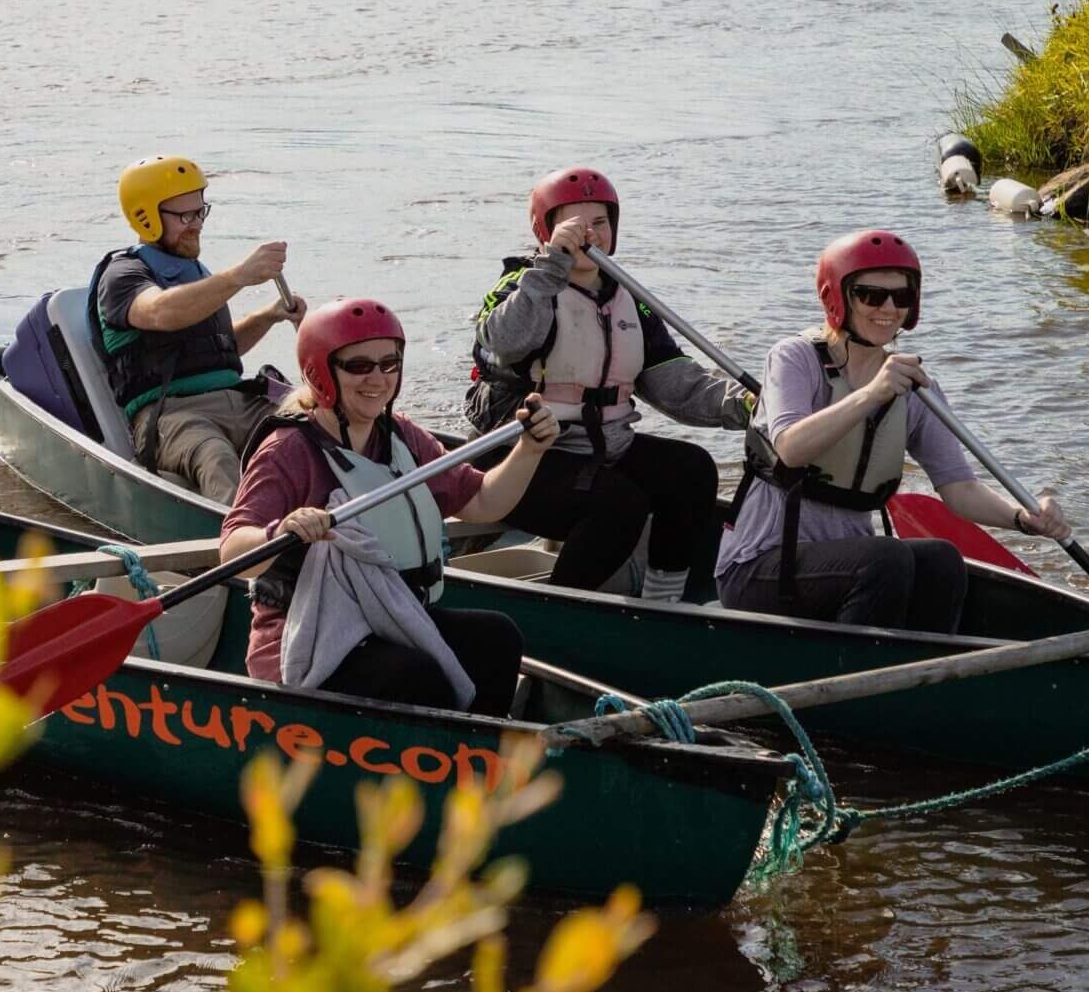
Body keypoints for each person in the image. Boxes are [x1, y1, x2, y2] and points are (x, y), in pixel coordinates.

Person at [715, 230, 1073, 631]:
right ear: (838, 298)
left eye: (901, 297)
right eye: (870, 295)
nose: (888, 308)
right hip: (760, 566)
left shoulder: (916, 388)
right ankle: (852, 663)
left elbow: (960, 489)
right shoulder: (794, 358)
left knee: (942, 560)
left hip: (847, 565)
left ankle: (924, 663)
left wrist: (1023, 518)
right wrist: (873, 393)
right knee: (886, 558)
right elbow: (790, 448)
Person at [222, 298, 557, 715]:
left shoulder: (401, 436)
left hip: (393, 617)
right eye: (359, 365)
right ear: (320, 371)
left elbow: (483, 501)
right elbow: (233, 551)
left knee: (497, 638)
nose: (378, 379)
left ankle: (479, 745)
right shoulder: (288, 450)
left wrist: (530, 449)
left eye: (389, 364)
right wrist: (280, 530)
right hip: (309, 638)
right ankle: (434, 749)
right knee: (414, 674)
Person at [467, 168, 752, 603]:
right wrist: (551, 267)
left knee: (691, 469)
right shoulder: (520, 286)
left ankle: (662, 603)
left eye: (600, 223)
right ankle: (561, 612)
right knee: (619, 503)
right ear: (545, 230)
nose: (589, 235)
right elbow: (506, 342)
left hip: (602, 449)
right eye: (573, 225)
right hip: (520, 458)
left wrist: (747, 405)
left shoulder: (631, 300)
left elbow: (677, 385)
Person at [94, 156, 307, 502]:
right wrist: (239, 276)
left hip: (238, 400)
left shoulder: (196, 274)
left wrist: (268, 315)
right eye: (185, 216)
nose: (196, 225)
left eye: (200, 212)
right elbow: (161, 312)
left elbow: (221, 349)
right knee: (215, 455)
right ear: (146, 217)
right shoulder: (122, 275)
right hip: (172, 414)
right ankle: (242, 531)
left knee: (310, 427)